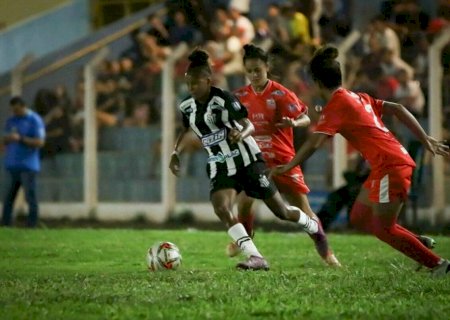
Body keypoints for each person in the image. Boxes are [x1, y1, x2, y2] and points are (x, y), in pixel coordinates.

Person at [271, 45, 450, 277]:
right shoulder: (356, 96)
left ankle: (439, 265)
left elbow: (314, 143)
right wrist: (424, 137)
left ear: (316, 82)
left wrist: (290, 165)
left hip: (390, 165)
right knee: (359, 216)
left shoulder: (337, 105)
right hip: (385, 165)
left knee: (384, 229)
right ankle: (417, 243)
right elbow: (397, 108)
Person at [169, 49, 322, 271]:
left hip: (247, 161)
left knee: (282, 212)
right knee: (221, 207)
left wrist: (242, 133)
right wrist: (176, 152)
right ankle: (256, 257)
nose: (191, 88)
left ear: (208, 80)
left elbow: (247, 123)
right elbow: (185, 130)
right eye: (188, 84)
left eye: (195, 84)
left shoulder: (223, 98)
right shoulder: (187, 106)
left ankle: (311, 225)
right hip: (220, 163)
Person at [226, 44, 340, 267]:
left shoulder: (280, 93)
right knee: (245, 201)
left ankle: (327, 254)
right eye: (249, 71)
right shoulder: (239, 96)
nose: (254, 75)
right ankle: (246, 244)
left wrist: (294, 122)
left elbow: (306, 118)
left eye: (257, 70)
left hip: (283, 160)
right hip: (256, 161)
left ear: (267, 67)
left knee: (304, 211)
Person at [2, 96, 46, 227]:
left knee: (30, 197)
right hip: (12, 164)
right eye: (12, 110)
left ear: (23, 106)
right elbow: (4, 139)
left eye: (17, 110)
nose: (15, 113)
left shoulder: (35, 120)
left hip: (28, 165)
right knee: (8, 197)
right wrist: (8, 139)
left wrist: (20, 139)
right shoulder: (11, 120)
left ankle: (32, 224)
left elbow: (40, 142)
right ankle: (5, 224)